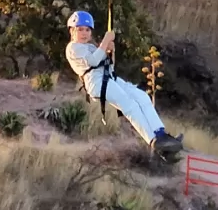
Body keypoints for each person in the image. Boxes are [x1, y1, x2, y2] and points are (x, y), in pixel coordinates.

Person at [64, 10, 183, 160]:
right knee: (129, 105)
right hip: (97, 82)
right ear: (72, 31)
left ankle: (161, 136)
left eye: (87, 30)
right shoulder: (73, 48)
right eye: (80, 29)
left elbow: (109, 65)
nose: (84, 33)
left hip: (109, 78)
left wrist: (110, 52)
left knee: (142, 97)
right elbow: (93, 62)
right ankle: (153, 140)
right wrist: (105, 42)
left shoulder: (91, 47)